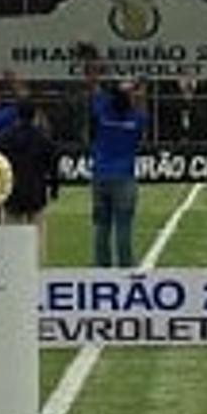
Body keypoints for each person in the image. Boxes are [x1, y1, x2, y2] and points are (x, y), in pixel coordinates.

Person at [85, 60, 146, 267]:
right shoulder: (135, 119)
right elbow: (140, 103)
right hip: (124, 177)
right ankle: (125, 269)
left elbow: (93, 85)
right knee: (123, 227)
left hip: (101, 175)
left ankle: (101, 269)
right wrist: (136, 87)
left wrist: (94, 64)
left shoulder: (102, 112)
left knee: (101, 227)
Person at [0, 95, 61, 260]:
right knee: (36, 235)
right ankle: (36, 270)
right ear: (34, 115)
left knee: (10, 234)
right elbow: (53, 165)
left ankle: (10, 266)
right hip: (36, 190)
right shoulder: (43, 138)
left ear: (17, 114)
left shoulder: (4, 137)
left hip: (12, 191)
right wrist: (54, 188)